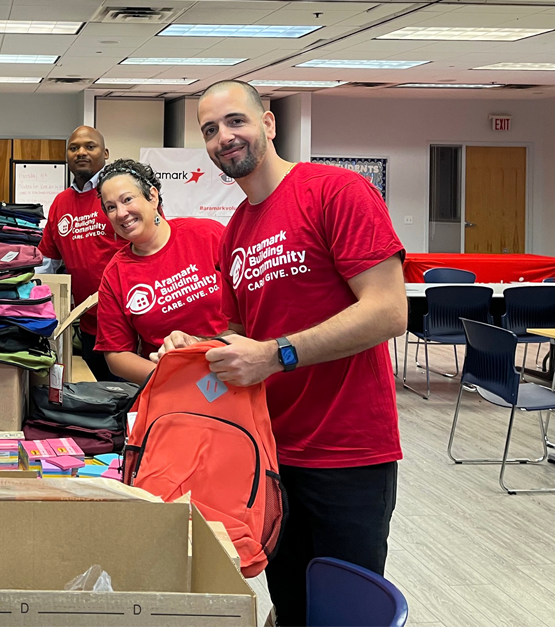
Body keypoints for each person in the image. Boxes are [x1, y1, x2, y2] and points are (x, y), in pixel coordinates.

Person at [157, 80, 407, 626]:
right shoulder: (237, 230)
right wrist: (195, 349)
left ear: (268, 124)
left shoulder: (336, 191)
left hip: (347, 453)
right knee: (291, 604)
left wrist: (277, 356)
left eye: (235, 121)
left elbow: (389, 311)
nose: (224, 137)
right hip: (271, 453)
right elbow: (242, 332)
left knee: (343, 614)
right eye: (210, 130)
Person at [93, 159, 229, 384]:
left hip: (232, 368)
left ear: (152, 196)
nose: (121, 213)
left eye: (127, 199)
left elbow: (252, 306)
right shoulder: (115, 274)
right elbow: (116, 354)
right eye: (111, 207)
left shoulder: (207, 235)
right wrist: (171, 375)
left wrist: (210, 348)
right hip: (170, 386)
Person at [38, 126, 127, 382]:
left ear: (105, 152)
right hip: (88, 324)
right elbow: (47, 262)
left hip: (129, 323)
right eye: (74, 147)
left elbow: (151, 248)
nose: (81, 152)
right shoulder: (61, 202)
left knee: (131, 397)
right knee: (102, 395)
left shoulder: (119, 195)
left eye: (90, 146)